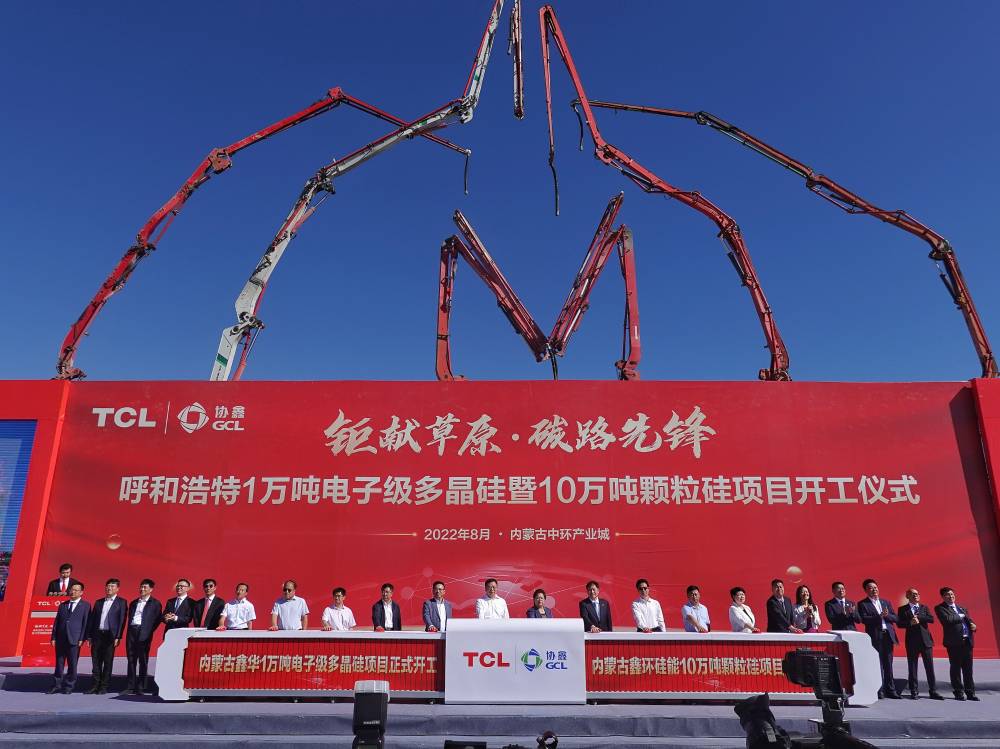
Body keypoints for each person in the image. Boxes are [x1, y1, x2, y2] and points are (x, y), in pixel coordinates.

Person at [857, 578, 900, 699]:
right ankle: (879, 690)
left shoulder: (885, 602)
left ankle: (891, 690)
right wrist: (879, 616)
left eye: (875, 587)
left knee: (888, 664)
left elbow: (895, 618)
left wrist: (886, 616)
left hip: (888, 636)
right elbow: (864, 619)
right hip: (875, 636)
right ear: (866, 590)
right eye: (871, 588)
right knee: (877, 664)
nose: (874, 590)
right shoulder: (863, 604)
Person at [897, 588, 943, 700]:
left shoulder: (924, 607)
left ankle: (933, 691)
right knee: (912, 667)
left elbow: (931, 619)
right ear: (907, 596)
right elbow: (900, 624)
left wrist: (919, 617)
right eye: (913, 594)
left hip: (926, 641)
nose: (915, 595)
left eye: (917, 594)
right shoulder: (902, 609)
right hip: (912, 642)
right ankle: (914, 691)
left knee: (929, 667)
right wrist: (910, 622)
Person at [85, 578, 126, 694]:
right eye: (108, 586)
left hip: (110, 635)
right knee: (96, 661)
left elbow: (122, 620)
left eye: (112, 586)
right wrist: (89, 636)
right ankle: (95, 685)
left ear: (117, 589)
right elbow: (92, 620)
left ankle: (104, 686)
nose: (109, 588)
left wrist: (118, 636)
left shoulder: (121, 602)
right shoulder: (99, 602)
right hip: (97, 634)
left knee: (107, 662)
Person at [935, 587, 977, 701]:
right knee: (956, 668)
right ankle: (958, 692)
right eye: (948, 594)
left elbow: (969, 620)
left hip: (967, 641)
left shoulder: (961, 608)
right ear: (943, 597)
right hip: (954, 643)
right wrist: (960, 616)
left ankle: (970, 692)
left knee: (968, 669)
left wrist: (973, 625)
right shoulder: (940, 608)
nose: (951, 596)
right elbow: (947, 620)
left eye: (952, 594)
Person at [48, 582, 90, 694]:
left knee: (72, 664)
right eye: (72, 590)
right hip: (61, 638)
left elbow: (85, 623)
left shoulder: (85, 606)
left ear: (81, 592)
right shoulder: (63, 605)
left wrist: (82, 638)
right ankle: (56, 685)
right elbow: (57, 622)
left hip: (75, 639)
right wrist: (53, 637)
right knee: (59, 663)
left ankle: (69, 686)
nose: (73, 592)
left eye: (76, 590)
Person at [124, 578, 162, 695]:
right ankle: (130, 686)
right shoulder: (134, 603)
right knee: (131, 659)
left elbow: (157, 620)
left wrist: (148, 630)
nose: (142, 589)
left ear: (151, 589)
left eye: (145, 587)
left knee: (143, 660)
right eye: (141, 587)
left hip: (144, 633)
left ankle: (141, 686)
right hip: (132, 631)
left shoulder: (155, 603)